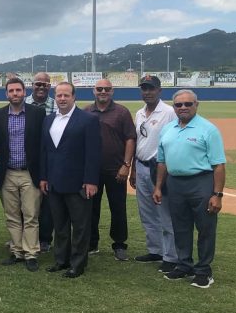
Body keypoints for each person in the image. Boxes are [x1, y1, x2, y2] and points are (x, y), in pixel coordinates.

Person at [154, 90, 226, 288]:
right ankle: (184, 264)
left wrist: (217, 194)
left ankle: (203, 270)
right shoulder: (168, 129)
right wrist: (158, 186)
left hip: (201, 182)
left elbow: (218, 164)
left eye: (188, 104)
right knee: (180, 226)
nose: (183, 107)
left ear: (196, 104)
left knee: (205, 228)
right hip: (175, 183)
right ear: (174, 107)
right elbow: (162, 162)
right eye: (178, 105)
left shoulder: (208, 129)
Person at [40, 82, 101, 278]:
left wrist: (91, 181)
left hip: (78, 184)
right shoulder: (49, 120)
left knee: (81, 227)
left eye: (66, 95)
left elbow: (93, 153)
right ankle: (61, 260)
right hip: (55, 182)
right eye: (59, 95)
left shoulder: (88, 120)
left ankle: (78, 264)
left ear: (74, 97)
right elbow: (45, 152)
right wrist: (43, 177)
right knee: (60, 225)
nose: (62, 99)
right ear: (55, 97)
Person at [0, 77, 46, 272]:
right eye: (11, 91)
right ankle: (17, 251)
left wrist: (43, 174)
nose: (15, 94)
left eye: (18, 90)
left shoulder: (38, 114)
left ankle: (31, 253)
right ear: (6, 94)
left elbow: (43, 145)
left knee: (31, 215)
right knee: (12, 216)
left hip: (29, 173)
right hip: (6, 173)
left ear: (24, 92)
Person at [129, 75, 178, 273]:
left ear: (159, 91)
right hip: (140, 166)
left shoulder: (169, 112)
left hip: (160, 168)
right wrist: (133, 168)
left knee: (165, 213)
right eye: (144, 88)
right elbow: (138, 142)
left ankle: (171, 256)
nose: (147, 92)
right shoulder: (140, 113)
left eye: (151, 88)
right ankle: (155, 250)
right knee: (147, 213)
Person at [84, 79, 136, 261]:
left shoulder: (121, 112)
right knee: (91, 208)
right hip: (92, 170)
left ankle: (119, 244)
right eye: (99, 89)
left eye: (107, 89)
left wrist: (126, 164)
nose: (103, 91)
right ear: (94, 91)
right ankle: (91, 243)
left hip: (116, 170)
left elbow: (130, 138)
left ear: (112, 91)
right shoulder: (87, 111)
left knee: (118, 208)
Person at [25, 72, 56, 253]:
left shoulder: (56, 105)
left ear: (49, 86)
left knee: (47, 202)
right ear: (32, 85)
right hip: (28, 159)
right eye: (38, 84)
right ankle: (26, 237)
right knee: (25, 201)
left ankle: (45, 239)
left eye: (45, 84)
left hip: (50, 159)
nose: (41, 87)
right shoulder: (24, 103)